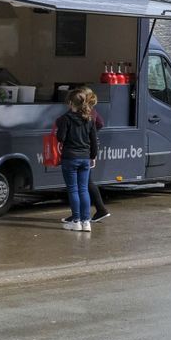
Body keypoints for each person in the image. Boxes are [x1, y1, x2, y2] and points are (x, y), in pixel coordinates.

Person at [61, 89, 111, 224]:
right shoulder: (90, 115)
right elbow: (98, 127)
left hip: (72, 155)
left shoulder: (68, 116)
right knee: (84, 187)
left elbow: (61, 136)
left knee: (75, 188)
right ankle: (85, 219)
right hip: (86, 154)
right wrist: (93, 154)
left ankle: (78, 218)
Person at [57, 87, 98, 232]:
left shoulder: (66, 119)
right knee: (83, 189)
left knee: (73, 190)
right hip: (85, 158)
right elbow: (94, 141)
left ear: (70, 103)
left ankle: (76, 221)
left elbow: (60, 138)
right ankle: (86, 222)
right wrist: (93, 157)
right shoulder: (90, 119)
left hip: (70, 158)